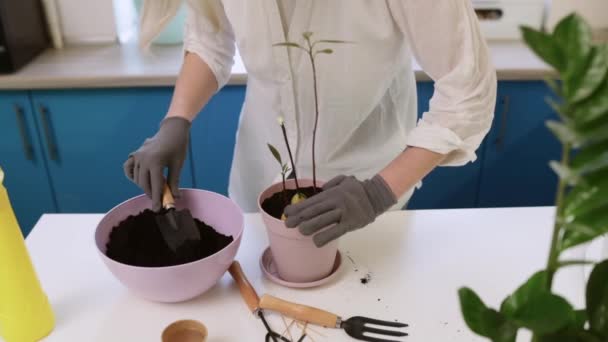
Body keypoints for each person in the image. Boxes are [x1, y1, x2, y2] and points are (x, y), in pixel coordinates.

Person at [124, 0, 497, 247]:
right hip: (259, 179)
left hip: (364, 193)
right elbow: (211, 35)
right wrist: (177, 119)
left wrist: (377, 192)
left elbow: (467, 90)